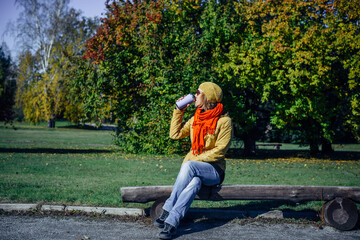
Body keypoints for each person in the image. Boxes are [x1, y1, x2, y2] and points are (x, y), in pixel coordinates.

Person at [155, 82, 233, 239]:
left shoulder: (224, 121)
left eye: (199, 92)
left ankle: (167, 209)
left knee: (190, 166)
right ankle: (171, 223)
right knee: (195, 182)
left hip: (214, 170)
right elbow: (174, 134)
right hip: (194, 172)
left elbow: (220, 151)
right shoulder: (196, 118)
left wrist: (197, 158)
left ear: (207, 97)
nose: (195, 95)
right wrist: (178, 111)